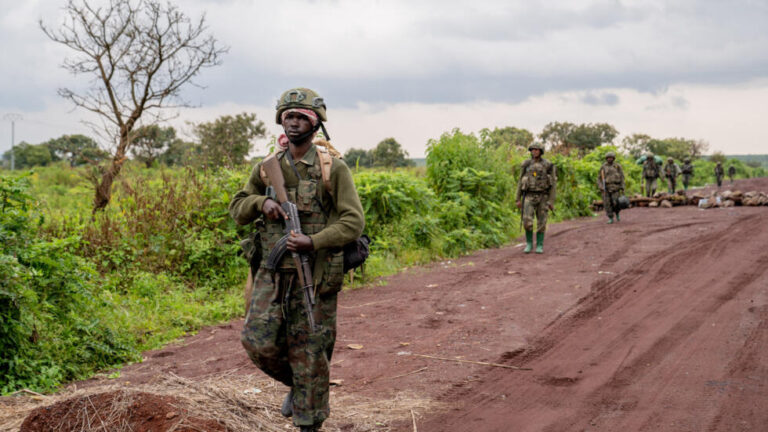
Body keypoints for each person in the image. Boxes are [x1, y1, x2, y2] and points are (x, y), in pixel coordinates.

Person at [229, 88, 364, 432]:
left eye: (301, 116)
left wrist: (313, 241)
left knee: (311, 350)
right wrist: (262, 204)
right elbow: (237, 208)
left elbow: (353, 222)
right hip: (272, 273)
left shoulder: (333, 169)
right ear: (280, 120)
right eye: (288, 115)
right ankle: (302, 385)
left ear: (316, 124)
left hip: (315, 276)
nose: (293, 121)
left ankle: (308, 420)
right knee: (256, 340)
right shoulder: (266, 169)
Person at [516, 142, 556, 254]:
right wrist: (517, 199)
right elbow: (520, 181)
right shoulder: (526, 164)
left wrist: (551, 201)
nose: (534, 151)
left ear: (541, 151)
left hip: (543, 196)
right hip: (528, 195)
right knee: (527, 221)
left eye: (537, 150)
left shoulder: (548, 165)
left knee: (542, 222)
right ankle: (529, 243)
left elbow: (553, 184)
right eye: (532, 149)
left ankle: (539, 245)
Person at [598, 151, 625, 224]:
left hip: (615, 187)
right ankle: (610, 217)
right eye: (608, 158)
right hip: (606, 187)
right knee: (607, 203)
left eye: (611, 158)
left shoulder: (617, 166)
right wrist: (601, 187)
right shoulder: (603, 167)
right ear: (606, 158)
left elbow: (622, 177)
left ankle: (617, 213)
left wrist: (622, 187)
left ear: (613, 158)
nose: (609, 159)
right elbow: (599, 178)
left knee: (615, 202)